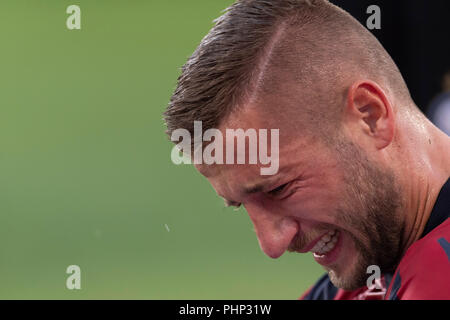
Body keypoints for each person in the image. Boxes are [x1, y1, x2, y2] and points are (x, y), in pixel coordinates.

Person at [164, 0, 450, 299]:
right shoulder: (370, 265)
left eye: (279, 189)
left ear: (370, 115)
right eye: (240, 205)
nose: (271, 244)